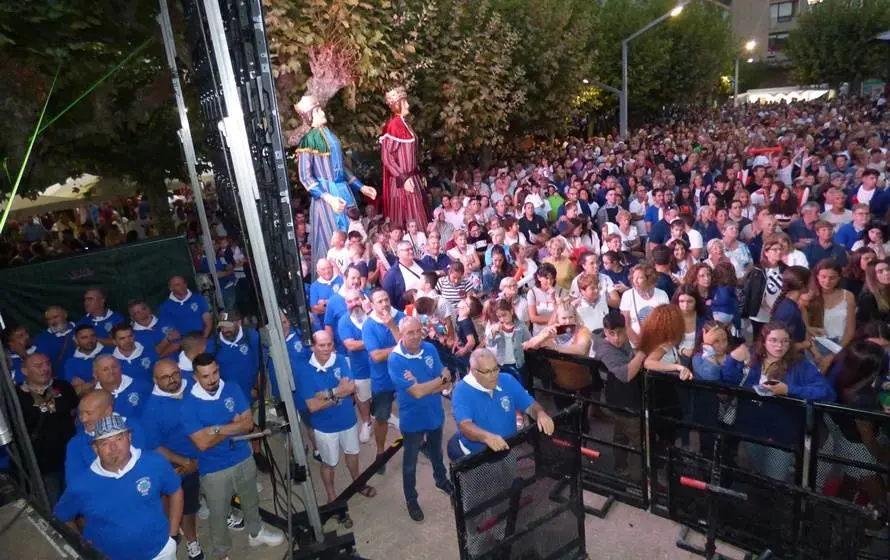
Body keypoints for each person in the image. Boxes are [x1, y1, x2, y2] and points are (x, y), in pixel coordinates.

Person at [182, 353, 284, 558]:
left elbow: (248, 424)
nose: (212, 380)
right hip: (214, 469)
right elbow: (202, 444)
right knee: (218, 513)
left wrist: (216, 429)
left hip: (243, 457)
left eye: (215, 373)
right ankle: (221, 551)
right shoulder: (188, 405)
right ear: (195, 377)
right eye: (205, 376)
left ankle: (256, 532)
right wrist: (233, 425)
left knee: (251, 500)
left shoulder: (232, 388)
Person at [54, 415, 183, 560]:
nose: (113, 448)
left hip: (161, 551)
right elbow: (62, 517)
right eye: (104, 443)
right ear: (95, 448)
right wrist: (80, 546)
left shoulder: (154, 462)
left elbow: (175, 490)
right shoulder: (80, 486)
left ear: (129, 437)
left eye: (119, 438)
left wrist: (173, 534)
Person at [725, 322, 835, 481]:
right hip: (751, 429)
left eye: (784, 341)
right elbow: (729, 381)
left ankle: (774, 493)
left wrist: (788, 390)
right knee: (758, 468)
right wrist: (732, 359)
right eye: (774, 340)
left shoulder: (800, 365)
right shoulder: (752, 359)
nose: (779, 346)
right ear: (763, 341)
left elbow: (826, 393)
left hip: (782, 434)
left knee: (775, 478)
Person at [294, 95, 376, 273]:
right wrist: (328, 198)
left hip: (343, 191)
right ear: (311, 116)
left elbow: (341, 168)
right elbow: (305, 177)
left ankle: (359, 272)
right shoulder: (308, 140)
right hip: (326, 197)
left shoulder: (331, 135)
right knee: (332, 236)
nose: (323, 112)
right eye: (318, 110)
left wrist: (360, 186)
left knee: (354, 233)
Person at [296, 331, 376, 511]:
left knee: (352, 453)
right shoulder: (305, 370)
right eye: (321, 345)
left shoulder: (340, 360)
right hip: (324, 428)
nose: (326, 349)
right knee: (328, 463)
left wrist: (325, 395)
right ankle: (331, 495)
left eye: (329, 344)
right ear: (313, 347)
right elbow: (312, 407)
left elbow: (351, 388)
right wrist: (337, 392)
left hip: (348, 421)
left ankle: (357, 483)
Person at [387, 317, 454, 522]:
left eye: (418, 331)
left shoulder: (430, 349)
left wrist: (428, 386)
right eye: (410, 332)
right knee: (410, 463)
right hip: (412, 419)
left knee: (436, 452)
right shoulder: (396, 359)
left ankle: (441, 480)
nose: (416, 336)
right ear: (401, 334)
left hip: (434, 413)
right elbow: (418, 392)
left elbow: (447, 382)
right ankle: (411, 499)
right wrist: (438, 381)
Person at [141, 360, 205, 560]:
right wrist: (185, 462)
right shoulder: (151, 409)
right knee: (187, 507)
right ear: (155, 380)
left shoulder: (193, 385)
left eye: (175, 374)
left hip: (207, 451)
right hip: (181, 463)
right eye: (165, 377)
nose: (172, 380)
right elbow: (155, 446)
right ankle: (192, 540)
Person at [449, 347, 554, 458]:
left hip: (508, 448)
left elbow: (530, 405)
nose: (494, 376)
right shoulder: (461, 391)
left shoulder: (507, 380)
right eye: (487, 372)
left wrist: (540, 414)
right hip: (479, 456)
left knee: (510, 469)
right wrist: (486, 437)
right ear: (473, 371)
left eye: (495, 369)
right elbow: (465, 426)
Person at [15, 353, 78, 505]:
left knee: (76, 502)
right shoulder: (16, 396)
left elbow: (75, 414)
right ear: (24, 371)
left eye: (47, 364)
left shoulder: (64, 387)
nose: (45, 368)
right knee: (53, 505)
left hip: (70, 459)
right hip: (41, 465)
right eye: (38, 366)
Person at [362, 289, 405, 469]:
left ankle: (420, 442)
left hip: (404, 376)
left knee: (413, 409)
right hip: (382, 380)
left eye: (386, 299)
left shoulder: (400, 317)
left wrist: (393, 327)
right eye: (379, 301)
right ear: (372, 305)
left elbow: (412, 347)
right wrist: (400, 347)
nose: (385, 304)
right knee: (381, 418)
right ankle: (380, 452)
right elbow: (376, 356)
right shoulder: (368, 325)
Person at [64, 391, 147, 481]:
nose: (83, 419)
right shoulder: (75, 444)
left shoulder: (134, 428)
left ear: (108, 411)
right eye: (80, 414)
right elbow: (75, 482)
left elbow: (147, 463)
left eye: (89, 413)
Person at [336, 288, 374, 443]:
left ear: (363, 299)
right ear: (345, 303)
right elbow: (350, 345)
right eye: (349, 301)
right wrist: (374, 341)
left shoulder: (373, 314)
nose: (354, 304)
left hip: (380, 365)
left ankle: (381, 415)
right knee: (362, 396)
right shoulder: (344, 321)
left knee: (382, 392)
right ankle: (366, 422)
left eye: (357, 299)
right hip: (360, 368)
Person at [743, 236, 786, 341]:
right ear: (766, 252)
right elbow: (755, 295)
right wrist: (770, 311)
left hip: (780, 314)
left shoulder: (786, 270)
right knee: (760, 342)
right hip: (760, 315)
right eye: (775, 249)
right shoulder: (758, 270)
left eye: (780, 249)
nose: (778, 252)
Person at [619, 264, 670, 347]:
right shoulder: (627, 295)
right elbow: (626, 325)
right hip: (637, 345)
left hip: (658, 344)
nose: (635, 281)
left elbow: (666, 322)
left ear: (649, 278)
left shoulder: (662, 294)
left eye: (640, 278)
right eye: (633, 277)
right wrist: (639, 344)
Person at [93, 355, 151, 420]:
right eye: (105, 369)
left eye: (114, 367)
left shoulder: (142, 386)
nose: (111, 371)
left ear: (120, 367)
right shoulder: (92, 399)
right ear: (96, 375)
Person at [62, 325, 113, 394]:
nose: (90, 340)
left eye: (93, 336)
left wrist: (89, 384)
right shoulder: (71, 363)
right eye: (84, 337)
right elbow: (78, 391)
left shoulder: (110, 351)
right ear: (76, 340)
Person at [159, 275, 213, 340]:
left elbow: (208, 323)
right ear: (171, 288)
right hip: (181, 342)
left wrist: (202, 340)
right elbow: (167, 328)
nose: (182, 287)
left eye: (183, 284)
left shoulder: (198, 298)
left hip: (204, 338)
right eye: (177, 285)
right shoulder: (165, 307)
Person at [33, 305, 77, 376]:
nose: (53, 322)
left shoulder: (79, 330)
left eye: (55, 317)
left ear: (65, 315)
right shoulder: (41, 339)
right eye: (49, 319)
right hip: (60, 379)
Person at [382, 241, 426, 309]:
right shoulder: (391, 275)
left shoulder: (421, 263)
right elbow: (389, 298)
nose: (411, 251)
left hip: (429, 304)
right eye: (407, 250)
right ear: (398, 253)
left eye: (411, 248)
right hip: (411, 309)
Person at [857, 258, 890, 325]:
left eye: (888, 269)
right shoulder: (868, 298)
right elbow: (877, 324)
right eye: (880, 271)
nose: (887, 273)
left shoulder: (887, 290)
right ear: (872, 275)